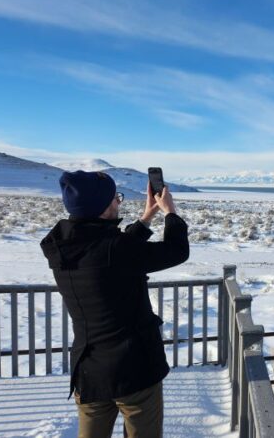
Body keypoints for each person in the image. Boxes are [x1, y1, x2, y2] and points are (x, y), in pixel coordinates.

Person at [40, 170, 189, 438]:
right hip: (135, 371)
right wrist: (171, 213)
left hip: (89, 371)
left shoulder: (62, 248)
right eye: (115, 199)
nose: (119, 203)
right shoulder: (116, 250)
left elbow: (111, 250)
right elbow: (177, 251)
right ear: (102, 206)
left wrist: (146, 217)